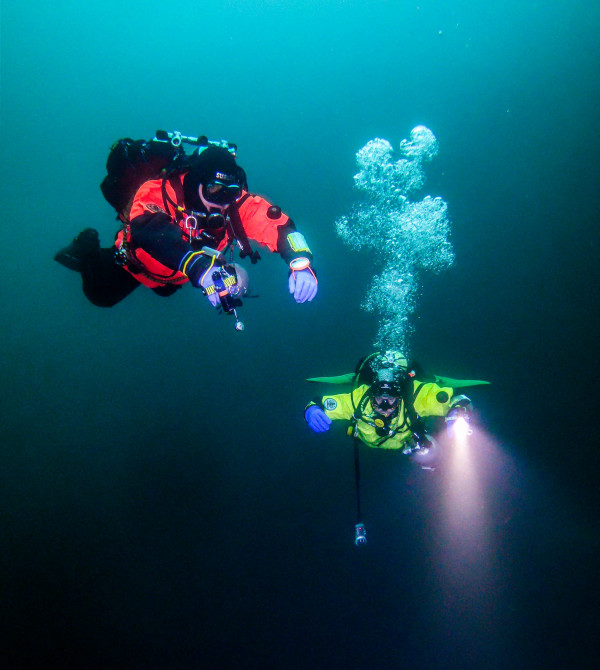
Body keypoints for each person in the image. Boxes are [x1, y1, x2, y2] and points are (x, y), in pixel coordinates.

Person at [54, 135, 318, 310]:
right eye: (214, 190)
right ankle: (86, 246)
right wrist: (198, 266)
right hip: (135, 264)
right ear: (196, 183)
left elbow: (279, 226)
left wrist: (301, 261)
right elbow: (148, 227)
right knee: (100, 294)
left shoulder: (236, 204)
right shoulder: (162, 190)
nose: (222, 202)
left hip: (174, 279)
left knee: (165, 291)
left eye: (229, 193)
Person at [304, 350, 477, 462]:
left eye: (391, 398)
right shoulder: (359, 398)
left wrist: (458, 412)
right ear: (372, 393)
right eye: (379, 397)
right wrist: (312, 410)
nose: (384, 406)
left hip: (404, 446)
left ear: (400, 395)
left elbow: (456, 398)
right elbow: (320, 403)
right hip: (365, 447)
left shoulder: (416, 395)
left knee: (430, 458)